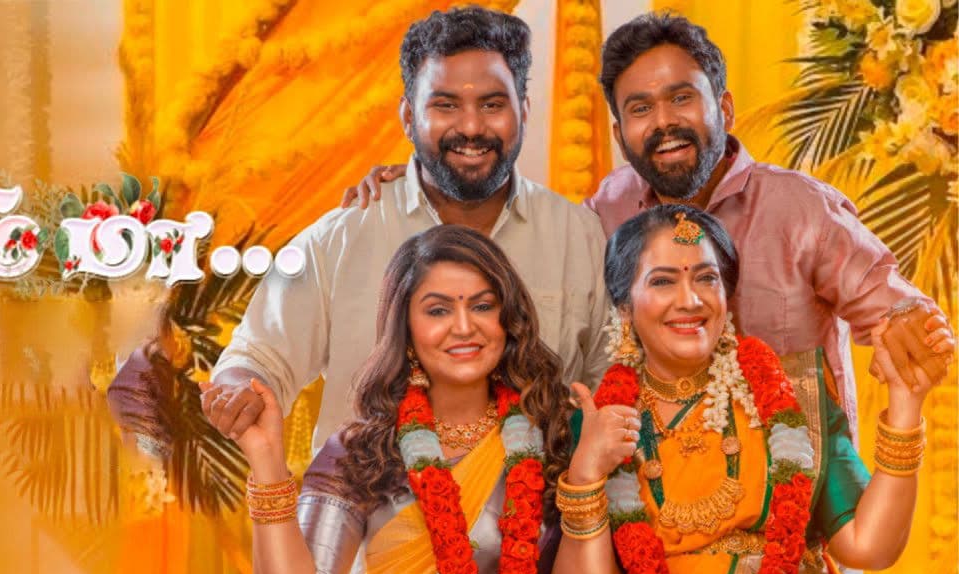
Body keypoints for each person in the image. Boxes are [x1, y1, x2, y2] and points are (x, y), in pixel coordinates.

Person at [339, 12, 954, 436]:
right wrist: (420, 177)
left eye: (682, 98)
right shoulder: (605, 214)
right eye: (640, 108)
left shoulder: (800, 209)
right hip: (655, 522)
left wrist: (907, 320)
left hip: (802, 521)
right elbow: (510, 258)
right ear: (619, 132)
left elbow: (892, 304)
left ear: (724, 107)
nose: (664, 123)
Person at [552, 204, 932, 574]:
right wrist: (586, 473)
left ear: (727, 296)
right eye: (663, 281)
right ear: (624, 305)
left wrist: (905, 408)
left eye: (706, 278)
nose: (690, 300)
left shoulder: (791, 397)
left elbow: (868, 545)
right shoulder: (604, 421)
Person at [204, 6, 610, 463]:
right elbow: (258, 357)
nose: (471, 127)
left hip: (539, 506)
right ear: (408, 116)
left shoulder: (578, 238)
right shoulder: (341, 236)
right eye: (445, 105)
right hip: (364, 503)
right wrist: (239, 391)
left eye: (492, 105)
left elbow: (613, 382)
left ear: (524, 112)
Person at [205, 224, 576, 574]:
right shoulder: (363, 449)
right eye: (438, 310)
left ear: (508, 319)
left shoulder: (555, 436)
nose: (464, 326)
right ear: (406, 329)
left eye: (483, 306)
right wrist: (267, 460)